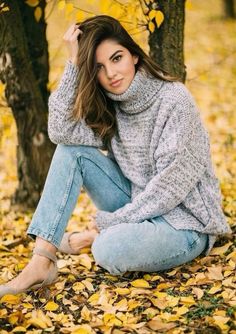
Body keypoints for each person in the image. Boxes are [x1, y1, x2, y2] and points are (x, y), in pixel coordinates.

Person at [0, 15, 231, 297]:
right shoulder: (111, 107)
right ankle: (42, 261)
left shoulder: (174, 100)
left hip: (184, 223)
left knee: (109, 250)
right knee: (71, 151)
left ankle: (89, 239)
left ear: (134, 55)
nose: (111, 73)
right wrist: (73, 64)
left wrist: (109, 223)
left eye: (117, 58)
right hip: (138, 204)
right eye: (99, 67)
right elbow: (60, 131)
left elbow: (168, 189)